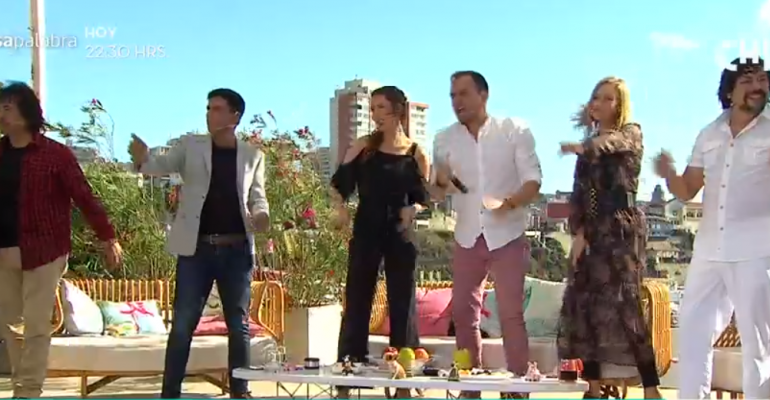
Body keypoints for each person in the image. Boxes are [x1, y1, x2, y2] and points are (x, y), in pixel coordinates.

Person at [129, 88, 269, 399]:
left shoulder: (252, 156)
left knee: (238, 325)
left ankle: (240, 392)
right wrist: (143, 159)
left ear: (234, 116)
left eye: (217, 109)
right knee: (183, 324)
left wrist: (261, 216)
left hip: (236, 250)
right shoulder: (191, 146)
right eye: (208, 108)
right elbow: (160, 165)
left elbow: (258, 197)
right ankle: (170, 394)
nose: (209, 114)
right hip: (197, 250)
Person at [655, 57, 770, 399]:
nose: (758, 87)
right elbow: (688, 189)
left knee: (758, 346)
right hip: (708, 251)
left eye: (763, 80)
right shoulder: (709, 133)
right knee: (693, 335)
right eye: (748, 81)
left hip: (756, 251)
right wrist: (669, 174)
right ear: (730, 91)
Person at [0, 82, 121, 399]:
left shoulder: (55, 155)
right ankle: (21, 385)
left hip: (45, 250)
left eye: (7, 107)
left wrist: (108, 237)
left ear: (26, 112)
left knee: (36, 324)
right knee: (10, 326)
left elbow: (84, 197)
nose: (1, 113)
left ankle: (28, 392)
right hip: (4, 251)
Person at [431, 71, 542, 399]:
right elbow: (436, 191)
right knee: (463, 313)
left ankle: (517, 389)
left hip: (507, 233)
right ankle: (470, 386)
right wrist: (441, 181)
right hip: (466, 234)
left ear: (484, 95)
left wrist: (509, 204)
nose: (457, 102)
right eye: (452, 95)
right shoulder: (443, 139)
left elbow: (533, 181)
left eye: (463, 94)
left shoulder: (514, 130)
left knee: (511, 314)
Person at [557, 76, 662, 399]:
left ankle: (651, 387)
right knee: (584, 302)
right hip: (593, 228)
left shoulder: (631, 133)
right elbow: (579, 194)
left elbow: (612, 144)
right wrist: (579, 233)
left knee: (627, 301)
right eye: (597, 97)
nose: (600, 103)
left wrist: (585, 147)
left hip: (622, 227)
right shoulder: (587, 147)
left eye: (608, 98)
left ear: (620, 105)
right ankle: (593, 386)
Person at [331, 85, 429, 399]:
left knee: (403, 302)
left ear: (398, 111)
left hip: (400, 232)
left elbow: (424, 198)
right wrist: (340, 210)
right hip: (367, 228)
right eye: (372, 109)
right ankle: (348, 373)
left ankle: (404, 378)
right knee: (358, 299)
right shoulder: (364, 147)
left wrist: (414, 209)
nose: (375, 115)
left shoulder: (415, 153)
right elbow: (339, 186)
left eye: (381, 108)